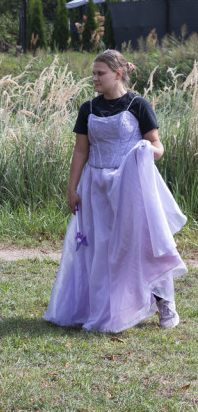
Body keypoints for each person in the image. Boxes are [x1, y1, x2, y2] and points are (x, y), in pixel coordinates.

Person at [44, 49, 187, 332]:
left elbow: (158, 146)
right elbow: (80, 150)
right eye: (93, 74)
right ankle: (102, 308)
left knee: (140, 243)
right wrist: (71, 188)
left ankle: (164, 303)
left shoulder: (138, 105)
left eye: (101, 74)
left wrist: (146, 150)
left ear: (118, 74)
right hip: (95, 185)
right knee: (98, 247)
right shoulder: (89, 108)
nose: (94, 79)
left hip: (129, 185)